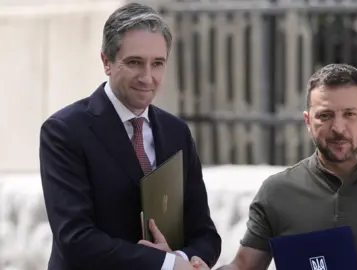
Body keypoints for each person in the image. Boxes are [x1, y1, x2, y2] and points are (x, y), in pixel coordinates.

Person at [200, 63, 357, 270]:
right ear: (308, 121)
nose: (338, 128)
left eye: (350, 114)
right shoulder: (277, 192)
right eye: (325, 116)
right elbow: (243, 265)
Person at [39, 3, 221, 270]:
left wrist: (184, 260)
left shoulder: (176, 132)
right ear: (107, 62)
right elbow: (75, 239)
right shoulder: (64, 132)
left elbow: (205, 234)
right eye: (135, 62)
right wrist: (165, 264)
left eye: (157, 63)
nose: (148, 77)